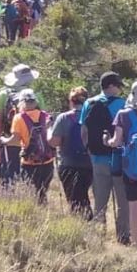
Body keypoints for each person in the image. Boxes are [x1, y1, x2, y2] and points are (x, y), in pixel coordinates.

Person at [80, 71, 130, 244]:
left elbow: (84, 130)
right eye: (118, 86)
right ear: (111, 86)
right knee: (123, 200)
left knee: (100, 199)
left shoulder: (89, 102)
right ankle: (123, 235)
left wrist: (89, 151)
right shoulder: (123, 104)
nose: (119, 90)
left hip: (97, 158)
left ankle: (97, 235)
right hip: (118, 159)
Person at [106, 81, 137, 248]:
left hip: (130, 168)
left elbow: (116, 141)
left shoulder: (123, 114)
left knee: (134, 206)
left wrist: (107, 141)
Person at [0, 64, 42, 187]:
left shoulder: (3, 94)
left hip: (10, 140)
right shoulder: (36, 96)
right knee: (31, 179)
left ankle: (9, 200)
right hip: (32, 143)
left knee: (9, 175)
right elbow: (44, 120)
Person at [49, 87, 93, 218]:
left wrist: (48, 130)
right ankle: (87, 220)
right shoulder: (92, 117)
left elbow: (54, 142)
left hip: (68, 164)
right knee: (82, 194)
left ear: (71, 101)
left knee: (73, 198)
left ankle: (82, 222)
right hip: (88, 163)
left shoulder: (63, 118)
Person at [5, 89, 54, 205]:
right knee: (42, 192)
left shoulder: (18, 118)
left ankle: (35, 214)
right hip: (48, 161)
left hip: (29, 162)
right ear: (35, 102)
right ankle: (43, 211)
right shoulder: (45, 115)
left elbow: (15, 140)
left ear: (21, 103)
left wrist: (3, 141)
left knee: (31, 192)